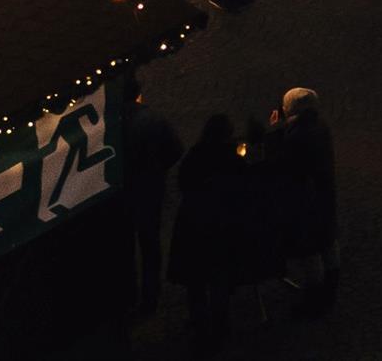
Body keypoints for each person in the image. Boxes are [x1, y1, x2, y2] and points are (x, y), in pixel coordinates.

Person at [170, 114, 249, 351]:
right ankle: (220, 324)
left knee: (196, 281)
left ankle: (200, 325)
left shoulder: (196, 155)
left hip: (195, 226)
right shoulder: (232, 159)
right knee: (219, 279)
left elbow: (183, 183)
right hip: (223, 227)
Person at [116, 71, 183, 321]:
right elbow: (176, 149)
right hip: (150, 190)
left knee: (124, 247)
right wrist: (157, 170)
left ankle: (127, 296)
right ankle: (150, 297)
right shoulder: (153, 119)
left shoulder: (113, 123)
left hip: (122, 194)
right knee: (150, 247)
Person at [266, 87, 338, 316]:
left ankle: (314, 298)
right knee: (327, 242)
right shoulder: (320, 126)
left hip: (306, 199)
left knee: (310, 250)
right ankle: (331, 286)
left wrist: (276, 132)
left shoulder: (297, 135)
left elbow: (280, 165)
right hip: (324, 194)